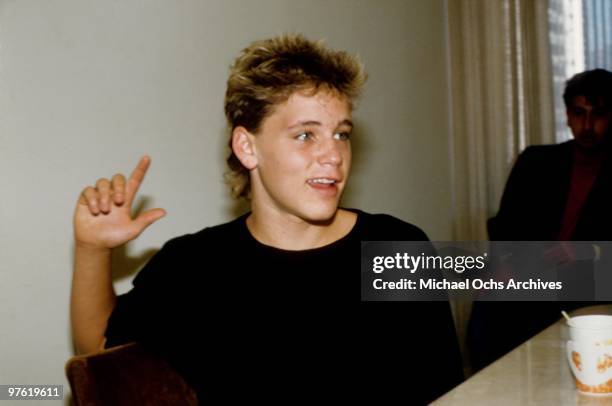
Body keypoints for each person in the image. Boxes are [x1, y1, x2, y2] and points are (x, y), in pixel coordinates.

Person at [71, 34, 463, 404]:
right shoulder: (194, 266)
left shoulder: (397, 247)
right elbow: (101, 355)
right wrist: (92, 250)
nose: (333, 155)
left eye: (341, 134)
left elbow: (448, 394)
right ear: (247, 147)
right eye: (306, 135)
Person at [468, 69, 612, 372]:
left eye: (598, 114)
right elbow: (504, 226)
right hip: (532, 275)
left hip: (590, 283)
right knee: (490, 304)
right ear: (567, 115)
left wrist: (589, 252)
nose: (587, 125)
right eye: (578, 113)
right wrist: (505, 265)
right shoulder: (537, 161)